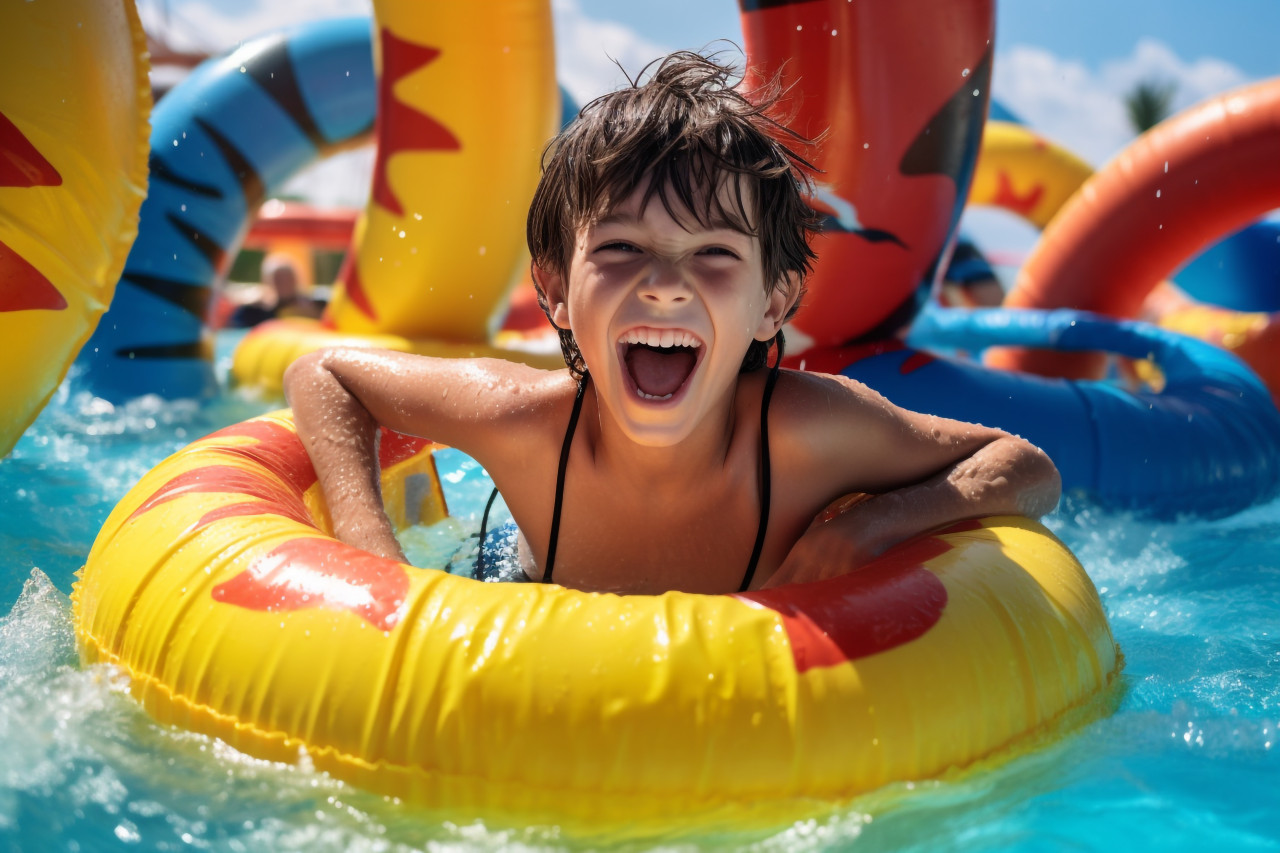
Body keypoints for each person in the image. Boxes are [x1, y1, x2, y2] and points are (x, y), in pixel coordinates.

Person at [284, 52, 1060, 595]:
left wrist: (873, 526)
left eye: (714, 254)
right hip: (509, 581)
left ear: (774, 303)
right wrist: (373, 557)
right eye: (622, 247)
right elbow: (323, 372)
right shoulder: (524, 423)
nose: (663, 286)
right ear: (554, 290)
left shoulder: (807, 435)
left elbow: (1023, 465)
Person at [226, 253, 324, 328]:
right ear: (268, 282)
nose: (284, 283)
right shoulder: (255, 310)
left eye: (288, 278)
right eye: (278, 279)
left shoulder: (316, 306)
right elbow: (236, 329)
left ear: (297, 281)